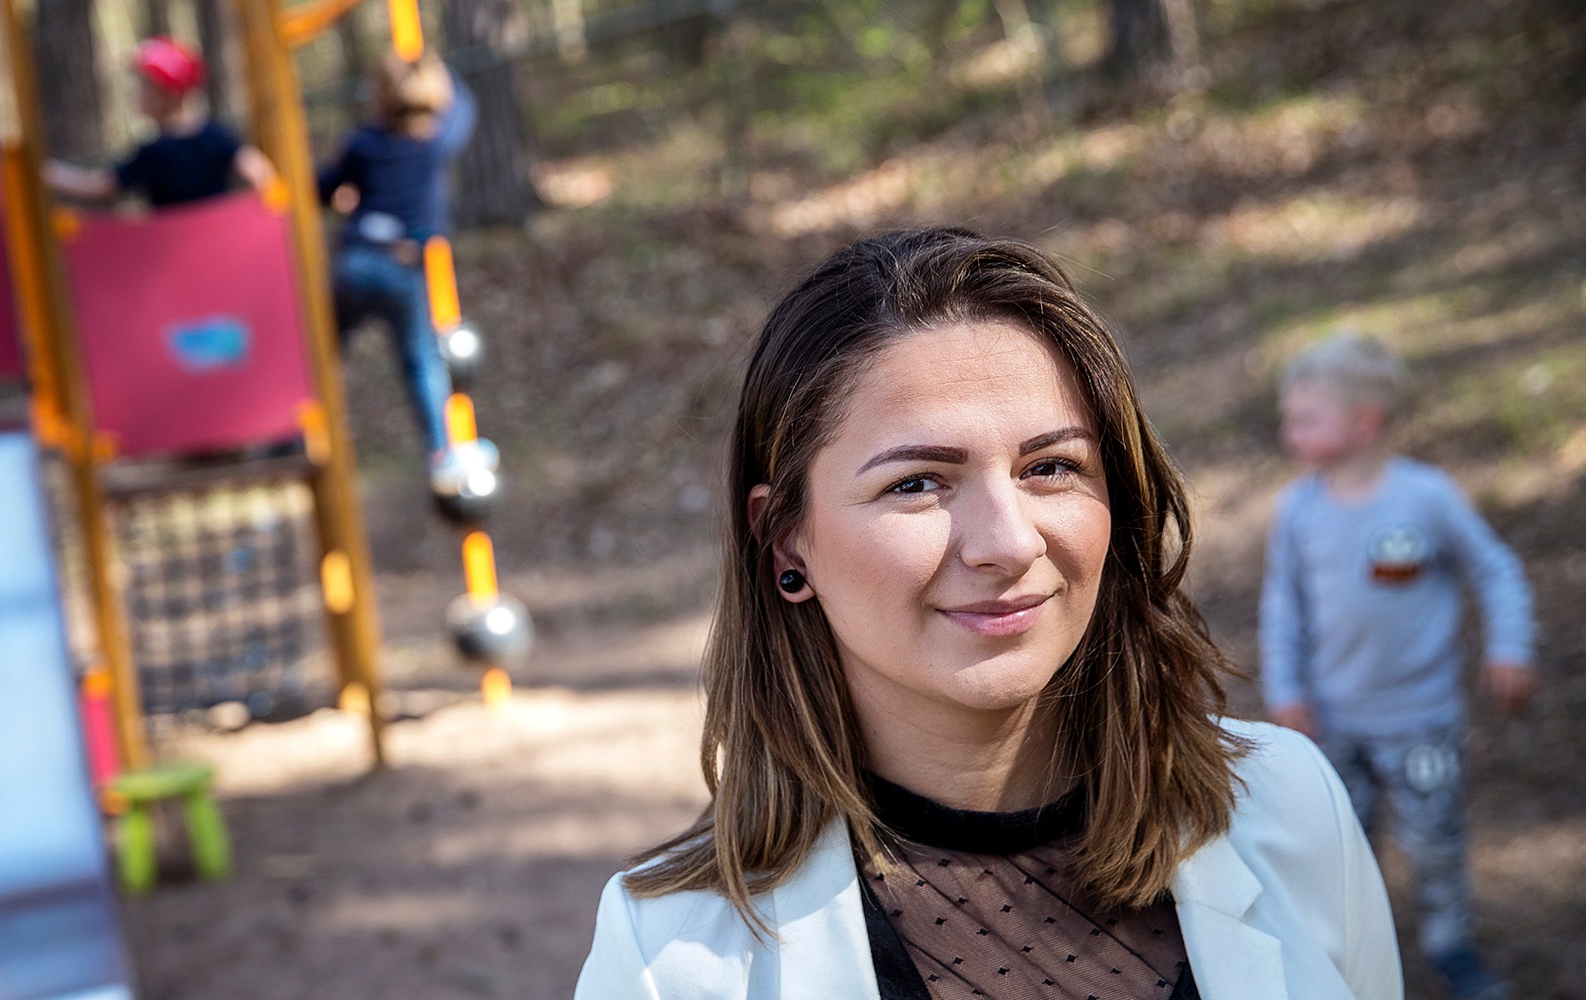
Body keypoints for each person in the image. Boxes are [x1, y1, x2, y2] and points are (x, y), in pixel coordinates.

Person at [574, 228, 1401, 999]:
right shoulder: (667, 958)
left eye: (1050, 467)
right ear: (786, 542)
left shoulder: (1294, 806)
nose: (1007, 543)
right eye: (918, 482)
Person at [1261, 334, 1535, 1000]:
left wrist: (1511, 648)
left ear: (1364, 423)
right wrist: (1287, 689)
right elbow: (1282, 608)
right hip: (1333, 725)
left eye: (1306, 418)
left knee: (1436, 841)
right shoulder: (1298, 511)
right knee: (1342, 848)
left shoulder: (1426, 497)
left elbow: (1495, 569)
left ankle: (1451, 944)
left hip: (1420, 724)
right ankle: (1347, 957)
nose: (1288, 431)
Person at [316, 51, 475, 474]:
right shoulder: (435, 141)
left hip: (355, 261)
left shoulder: (362, 144)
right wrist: (438, 67)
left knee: (323, 349)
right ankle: (441, 452)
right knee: (421, 359)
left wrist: (340, 190)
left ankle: (298, 432)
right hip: (403, 266)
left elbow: (320, 187)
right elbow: (465, 105)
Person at [44, 37, 272, 208]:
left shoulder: (154, 153)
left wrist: (45, 173)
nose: (136, 93)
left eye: (144, 86)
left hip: (176, 256)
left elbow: (99, 187)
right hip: (219, 246)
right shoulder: (215, 134)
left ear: (167, 94)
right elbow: (256, 168)